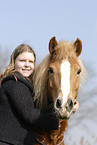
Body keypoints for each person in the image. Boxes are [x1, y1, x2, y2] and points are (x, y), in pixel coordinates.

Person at [0, 44, 59, 145]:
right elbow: (30, 115)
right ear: (14, 62)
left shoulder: (23, 84)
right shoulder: (15, 83)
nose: (27, 65)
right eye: (22, 61)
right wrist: (58, 116)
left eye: (31, 62)